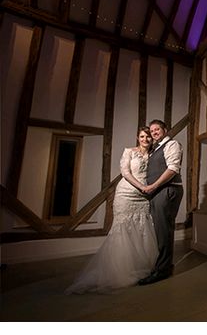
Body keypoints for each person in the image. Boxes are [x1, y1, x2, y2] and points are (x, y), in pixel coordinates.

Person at [65, 127, 158, 294]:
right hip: (127, 193)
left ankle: (140, 266)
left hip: (144, 196)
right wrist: (142, 187)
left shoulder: (154, 154)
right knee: (122, 230)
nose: (145, 139)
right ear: (138, 138)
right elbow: (125, 172)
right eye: (142, 136)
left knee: (141, 228)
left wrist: (148, 189)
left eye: (148, 137)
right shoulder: (129, 152)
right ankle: (119, 271)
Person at [138, 119, 184, 285]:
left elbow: (172, 169)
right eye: (152, 130)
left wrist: (154, 186)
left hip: (168, 189)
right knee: (160, 230)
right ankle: (164, 265)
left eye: (157, 129)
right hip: (158, 191)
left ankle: (162, 270)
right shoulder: (155, 149)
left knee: (164, 230)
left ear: (165, 129)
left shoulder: (172, 144)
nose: (154, 132)